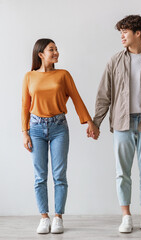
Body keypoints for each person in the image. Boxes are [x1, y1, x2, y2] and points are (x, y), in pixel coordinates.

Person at [89, 15, 141, 234]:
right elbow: (103, 95)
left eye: (125, 31)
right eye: (121, 32)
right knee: (122, 172)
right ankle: (126, 217)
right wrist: (96, 122)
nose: (122, 36)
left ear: (138, 33)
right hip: (122, 123)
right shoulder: (114, 61)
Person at [22, 38, 99, 234]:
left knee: (59, 176)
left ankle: (58, 217)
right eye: (52, 50)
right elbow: (25, 106)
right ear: (41, 54)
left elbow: (76, 97)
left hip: (59, 128)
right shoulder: (29, 76)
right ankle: (44, 218)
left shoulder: (63, 75)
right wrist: (25, 132)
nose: (56, 53)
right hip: (36, 128)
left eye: (56, 49)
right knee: (40, 177)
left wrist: (89, 121)